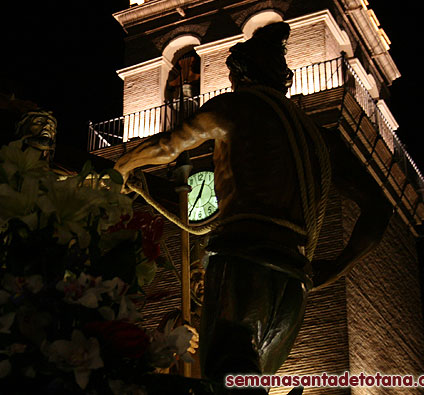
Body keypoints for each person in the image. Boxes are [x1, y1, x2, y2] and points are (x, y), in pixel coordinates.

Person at [113, 22, 392, 392]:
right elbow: (379, 209)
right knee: (250, 381)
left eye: (229, 74)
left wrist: (120, 168)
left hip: (240, 265)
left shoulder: (234, 107)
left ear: (240, 74)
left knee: (223, 378)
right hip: (294, 284)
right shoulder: (319, 139)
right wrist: (335, 269)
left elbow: (168, 147)